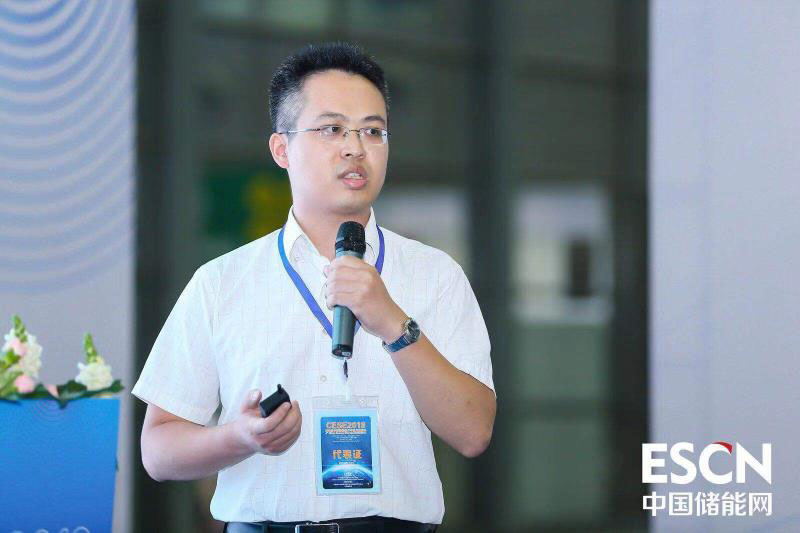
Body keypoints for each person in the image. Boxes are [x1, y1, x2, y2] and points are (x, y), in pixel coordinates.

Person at [133, 42, 496, 533]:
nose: (355, 148)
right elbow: (158, 451)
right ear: (281, 149)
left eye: (373, 131)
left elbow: (474, 431)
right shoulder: (221, 282)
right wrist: (241, 437)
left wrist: (392, 322)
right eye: (331, 129)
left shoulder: (435, 274)